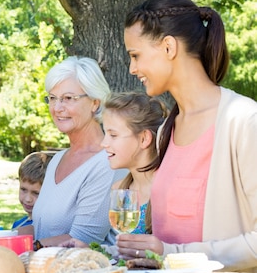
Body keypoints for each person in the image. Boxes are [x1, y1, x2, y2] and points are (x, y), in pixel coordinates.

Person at [118, 0, 257, 272]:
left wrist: (171, 255)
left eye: (136, 55)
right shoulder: (166, 132)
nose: (132, 68)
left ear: (168, 47)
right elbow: (162, 241)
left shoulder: (243, 121)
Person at [32, 56, 125, 248]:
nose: (57, 108)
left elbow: (83, 239)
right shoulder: (57, 160)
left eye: (68, 98)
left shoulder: (108, 161)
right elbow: (42, 228)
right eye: (52, 98)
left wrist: (26, 247)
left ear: (95, 103)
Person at [59, 91, 167, 250]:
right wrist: (89, 249)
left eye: (113, 135)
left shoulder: (169, 190)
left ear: (144, 139)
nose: (104, 143)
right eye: (106, 133)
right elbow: (123, 250)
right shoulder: (120, 189)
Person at [11, 151, 51, 236]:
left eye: (36, 193)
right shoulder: (18, 225)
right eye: (23, 189)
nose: (28, 199)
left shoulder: (52, 229)